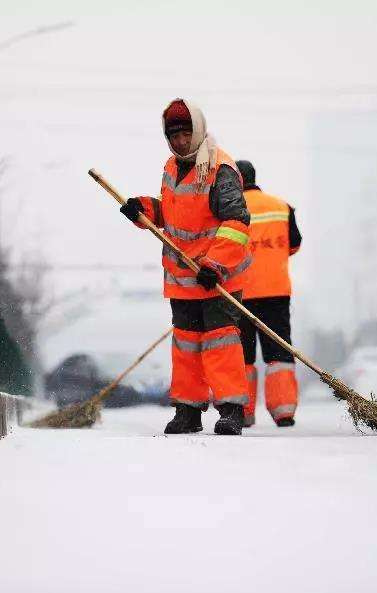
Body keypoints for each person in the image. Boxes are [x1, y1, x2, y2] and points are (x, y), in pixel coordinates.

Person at [119, 98, 252, 435]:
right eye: (173, 135)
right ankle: (188, 410)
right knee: (186, 348)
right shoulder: (171, 166)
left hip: (215, 277)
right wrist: (144, 210)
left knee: (221, 344)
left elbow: (236, 221)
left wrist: (215, 264)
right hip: (182, 279)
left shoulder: (220, 168)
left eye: (185, 133)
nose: (179, 141)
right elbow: (172, 214)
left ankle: (232, 411)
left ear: (199, 130)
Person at [234, 159, 302, 427]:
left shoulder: (231, 210)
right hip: (276, 292)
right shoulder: (282, 207)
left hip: (239, 295)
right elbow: (294, 245)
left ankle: (243, 412)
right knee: (279, 352)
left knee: (242, 356)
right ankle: (283, 411)